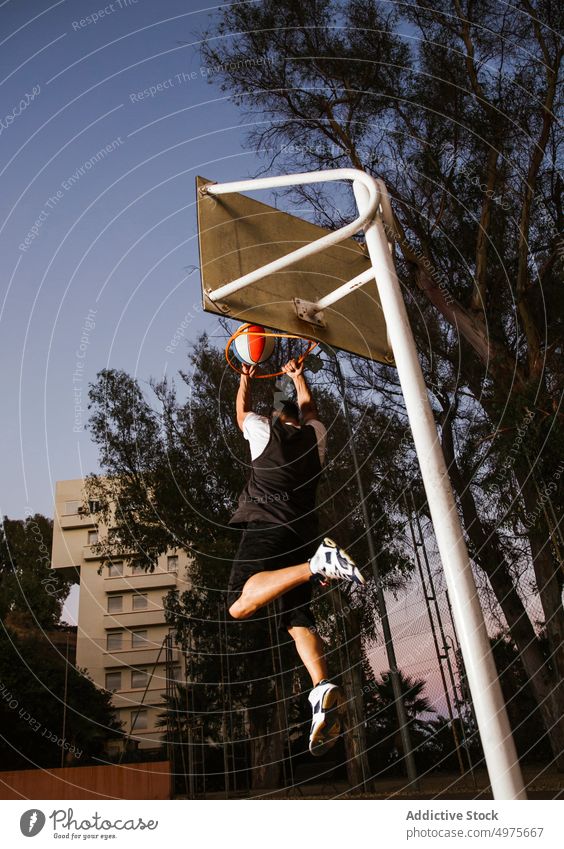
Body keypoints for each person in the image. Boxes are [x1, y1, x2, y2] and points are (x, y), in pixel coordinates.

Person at [227, 357, 366, 756]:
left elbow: (241, 414)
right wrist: (298, 377)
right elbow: (312, 411)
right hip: (303, 532)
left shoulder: (262, 431)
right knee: (295, 617)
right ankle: (321, 687)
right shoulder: (316, 438)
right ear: (299, 418)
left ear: (275, 415)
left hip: (270, 528)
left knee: (238, 603)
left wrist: (244, 379)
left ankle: (316, 565)